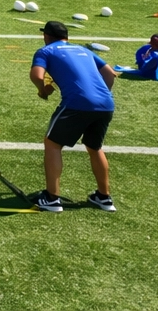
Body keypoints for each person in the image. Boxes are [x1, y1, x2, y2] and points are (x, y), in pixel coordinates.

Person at [30, 20, 117, 212]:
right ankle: (104, 198)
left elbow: (37, 75)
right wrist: (99, 98)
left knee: (52, 144)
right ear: (66, 37)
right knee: (95, 147)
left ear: (46, 36)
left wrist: (43, 91)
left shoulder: (46, 51)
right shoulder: (84, 50)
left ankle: (52, 199)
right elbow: (110, 74)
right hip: (106, 104)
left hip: (76, 103)